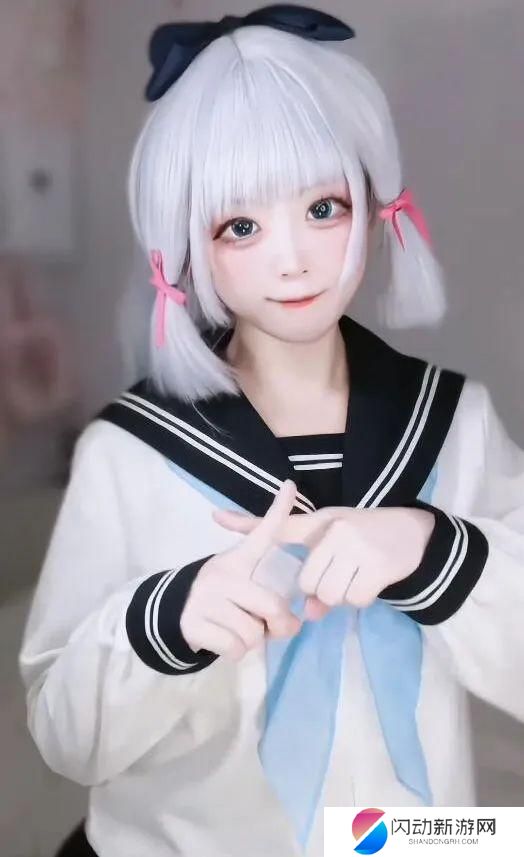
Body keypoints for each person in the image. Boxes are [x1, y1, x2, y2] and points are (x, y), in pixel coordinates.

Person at [18, 5, 524, 857]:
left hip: (415, 841)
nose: (293, 258)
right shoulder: (127, 452)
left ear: (376, 205)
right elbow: (65, 734)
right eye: (241, 226)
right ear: (186, 246)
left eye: (324, 207)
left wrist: (435, 550)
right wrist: (167, 620)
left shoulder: (452, 422)